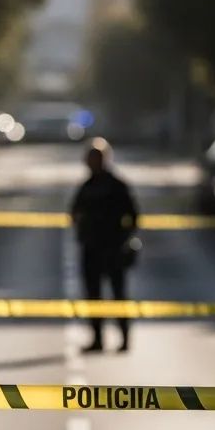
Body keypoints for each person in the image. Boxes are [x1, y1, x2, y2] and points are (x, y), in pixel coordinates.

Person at [71, 138, 139, 352]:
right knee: (93, 296)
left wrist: (125, 238)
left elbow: (133, 214)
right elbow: (74, 212)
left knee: (118, 296)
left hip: (113, 249)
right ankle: (97, 338)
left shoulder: (117, 186)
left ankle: (124, 338)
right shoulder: (87, 186)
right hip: (91, 249)